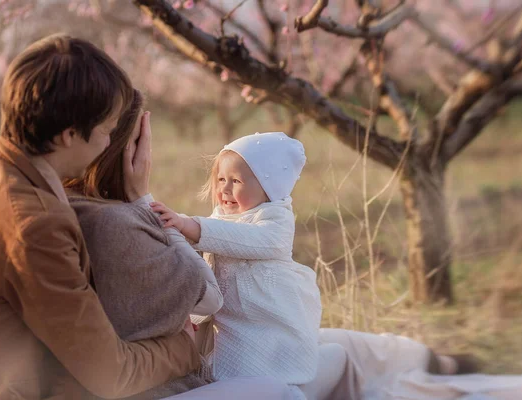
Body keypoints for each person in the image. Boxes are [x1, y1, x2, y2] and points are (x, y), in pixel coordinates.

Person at [151, 132, 465, 399]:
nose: (225, 189)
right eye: (221, 179)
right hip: (237, 331)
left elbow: (248, 239)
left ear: (269, 189)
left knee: (302, 363)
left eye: (236, 181)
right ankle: (426, 363)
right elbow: (206, 264)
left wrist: (190, 225)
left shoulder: (275, 220)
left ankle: (429, 364)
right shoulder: (219, 219)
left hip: (272, 326)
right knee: (248, 370)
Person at [65, 93, 292, 399]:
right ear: (129, 150)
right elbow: (209, 298)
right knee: (283, 390)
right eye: (143, 140)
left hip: (148, 370)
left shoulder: (64, 203)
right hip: (158, 386)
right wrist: (145, 202)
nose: (224, 189)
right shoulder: (116, 222)